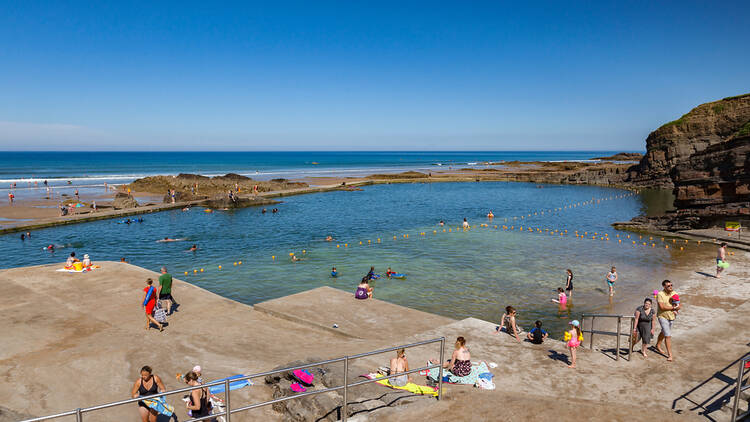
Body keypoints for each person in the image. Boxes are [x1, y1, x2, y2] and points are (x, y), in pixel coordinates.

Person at [655, 279, 680, 361]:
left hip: (672, 317)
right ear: (664, 287)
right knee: (668, 335)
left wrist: (676, 308)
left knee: (664, 331)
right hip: (662, 316)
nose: (670, 287)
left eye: (671, 285)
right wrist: (673, 308)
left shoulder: (674, 293)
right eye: (668, 286)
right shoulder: (660, 294)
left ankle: (657, 345)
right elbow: (662, 307)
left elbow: (679, 306)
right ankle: (670, 355)